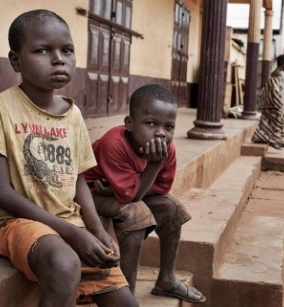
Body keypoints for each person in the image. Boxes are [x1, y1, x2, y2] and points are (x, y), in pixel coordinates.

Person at [0, 10, 137, 306]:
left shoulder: (73, 114)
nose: (58, 59)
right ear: (16, 60)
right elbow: (0, 192)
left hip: (69, 220)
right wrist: (71, 233)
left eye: (67, 50)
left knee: (125, 301)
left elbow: (78, 178)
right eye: (42, 50)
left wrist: (95, 229)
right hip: (14, 222)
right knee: (64, 263)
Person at [84, 84, 206, 304]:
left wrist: (123, 188)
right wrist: (152, 167)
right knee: (137, 215)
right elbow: (132, 198)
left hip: (119, 191)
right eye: (150, 123)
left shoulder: (167, 149)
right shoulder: (115, 143)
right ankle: (126, 297)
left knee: (172, 208)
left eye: (168, 127)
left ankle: (166, 279)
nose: (160, 132)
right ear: (130, 124)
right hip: (92, 192)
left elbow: (161, 189)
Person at [251, 54, 284, 149]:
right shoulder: (277, 74)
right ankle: (274, 140)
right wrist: (278, 103)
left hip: (271, 103)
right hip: (273, 104)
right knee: (276, 122)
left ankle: (272, 139)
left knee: (268, 122)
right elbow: (275, 91)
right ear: (283, 64)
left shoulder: (277, 73)